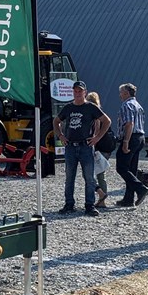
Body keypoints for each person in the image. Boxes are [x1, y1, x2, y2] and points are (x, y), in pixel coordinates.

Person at [53, 81, 109, 216]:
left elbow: (106, 121)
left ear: (85, 92)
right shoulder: (68, 107)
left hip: (85, 146)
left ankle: (89, 205)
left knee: (89, 178)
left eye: (80, 91)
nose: (77, 93)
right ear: (73, 92)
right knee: (69, 177)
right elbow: (56, 121)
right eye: (75, 91)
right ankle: (69, 204)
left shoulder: (90, 107)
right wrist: (60, 135)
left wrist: (97, 138)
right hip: (70, 146)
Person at [114, 82, 148, 206]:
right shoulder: (138, 105)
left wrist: (125, 142)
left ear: (126, 93)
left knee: (121, 167)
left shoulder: (127, 105)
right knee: (131, 169)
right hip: (140, 137)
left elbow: (129, 124)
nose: (120, 95)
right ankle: (128, 199)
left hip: (131, 137)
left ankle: (141, 189)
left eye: (121, 92)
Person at [86, 91, 111, 206]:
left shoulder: (93, 114)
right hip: (107, 147)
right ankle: (102, 200)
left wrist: (93, 145)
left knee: (89, 174)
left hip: (98, 147)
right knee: (101, 174)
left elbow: (95, 132)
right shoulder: (102, 113)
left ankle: (100, 194)